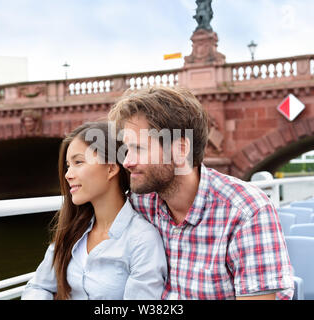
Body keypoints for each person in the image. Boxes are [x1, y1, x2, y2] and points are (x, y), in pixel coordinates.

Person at [108, 86, 294, 300]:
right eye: (126, 149)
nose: (127, 162)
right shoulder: (141, 202)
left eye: (139, 148)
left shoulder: (246, 211)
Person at [21, 121, 167, 300]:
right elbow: (38, 286)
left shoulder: (142, 240)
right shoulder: (71, 231)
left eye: (78, 162)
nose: (68, 174)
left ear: (111, 168)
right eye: (68, 165)